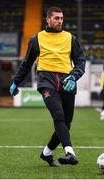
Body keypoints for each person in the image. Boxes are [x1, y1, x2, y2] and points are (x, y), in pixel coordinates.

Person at [9, 7, 86, 167]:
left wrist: (74, 76)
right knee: (58, 115)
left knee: (66, 123)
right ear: (48, 20)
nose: (60, 21)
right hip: (47, 81)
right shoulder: (36, 39)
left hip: (67, 81)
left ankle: (46, 153)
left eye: (62, 18)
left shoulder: (70, 38)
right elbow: (27, 63)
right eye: (56, 18)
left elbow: (80, 61)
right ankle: (70, 152)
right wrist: (16, 81)